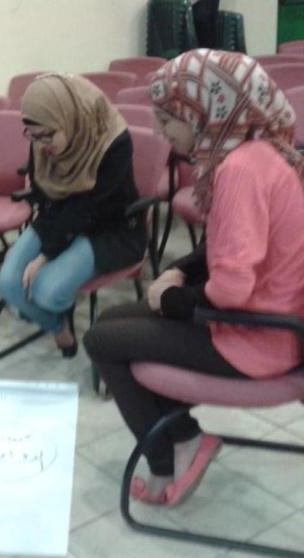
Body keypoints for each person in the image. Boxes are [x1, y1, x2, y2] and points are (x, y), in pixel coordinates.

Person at [84, 49, 304, 506]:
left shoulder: (240, 170)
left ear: (206, 112)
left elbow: (233, 288)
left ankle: (171, 455)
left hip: (259, 337)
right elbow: (224, 245)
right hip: (264, 322)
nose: (160, 130)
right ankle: (184, 437)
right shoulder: (255, 153)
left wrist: (171, 300)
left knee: (102, 341)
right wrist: (178, 271)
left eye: (168, 118)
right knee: (112, 322)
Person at [0, 74, 146, 357]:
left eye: (47, 135)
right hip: (57, 216)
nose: (42, 145)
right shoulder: (42, 134)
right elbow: (42, 191)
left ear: (67, 118)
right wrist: (46, 245)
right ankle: (57, 325)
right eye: (33, 136)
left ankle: (54, 311)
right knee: (8, 283)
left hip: (109, 227)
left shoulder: (112, 141)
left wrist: (45, 255)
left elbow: (89, 207)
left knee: (47, 290)